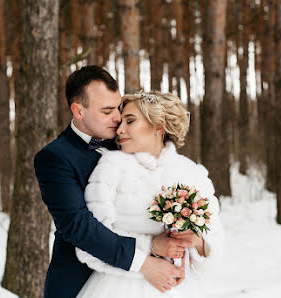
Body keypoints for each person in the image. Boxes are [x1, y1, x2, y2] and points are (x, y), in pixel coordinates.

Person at [34, 66, 192, 298]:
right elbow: (79, 227)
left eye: (118, 108)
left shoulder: (126, 139)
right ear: (78, 111)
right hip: (81, 280)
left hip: (152, 284)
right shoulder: (55, 158)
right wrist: (147, 256)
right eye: (107, 111)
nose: (118, 118)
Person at [75, 91, 225, 298]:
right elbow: (89, 244)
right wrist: (150, 252)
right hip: (118, 289)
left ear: (158, 126)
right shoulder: (111, 167)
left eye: (130, 121)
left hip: (177, 290)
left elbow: (216, 249)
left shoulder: (193, 173)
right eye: (120, 122)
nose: (119, 130)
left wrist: (197, 242)